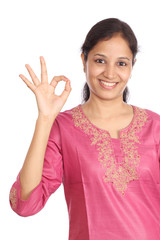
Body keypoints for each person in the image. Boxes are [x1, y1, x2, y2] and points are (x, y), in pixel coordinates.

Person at [9, 18, 160, 239]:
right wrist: (45, 119)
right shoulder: (63, 128)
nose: (110, 73)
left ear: (132, 66)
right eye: (100, 60)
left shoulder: (154, 126)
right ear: (84, 60)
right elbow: (25, 203)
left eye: (121, 63)